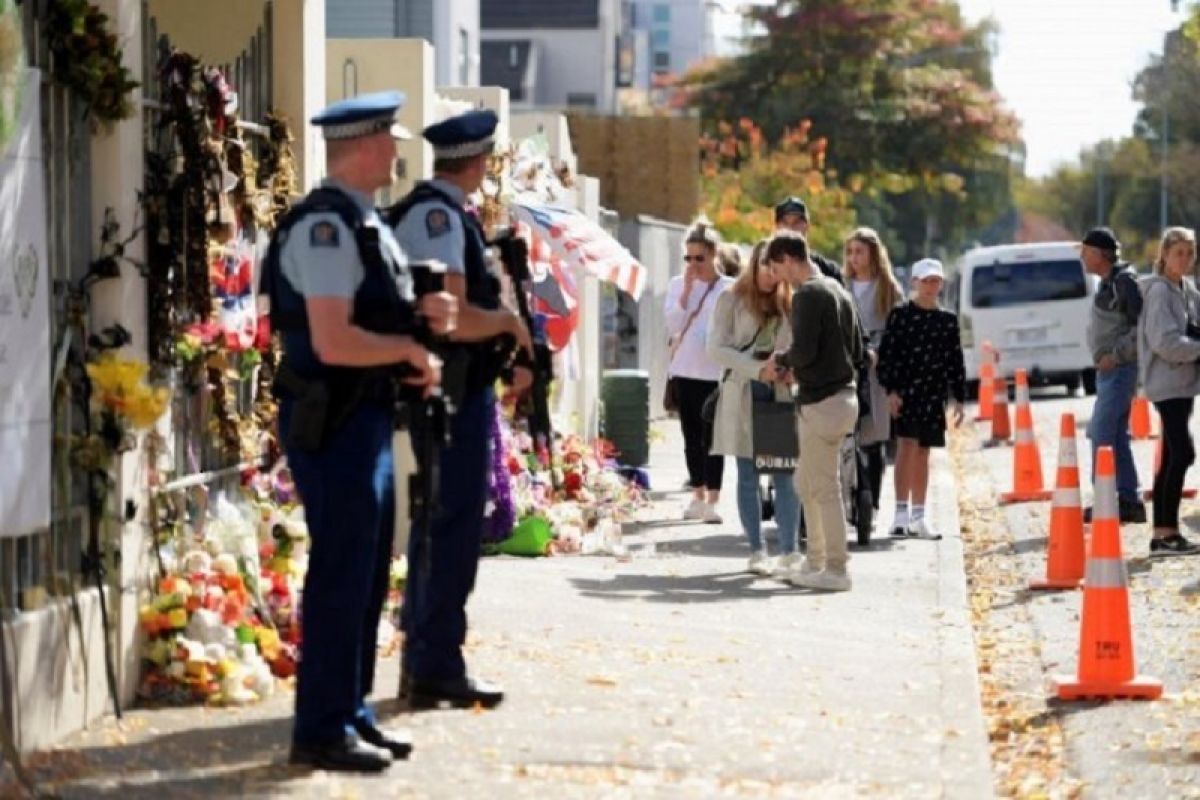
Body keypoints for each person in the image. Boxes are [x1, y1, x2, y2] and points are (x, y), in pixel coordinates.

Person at [264, 91, 453, 772]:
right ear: (365, 147)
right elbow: (334, 339)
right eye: (391, 141)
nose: (399, 153)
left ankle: (349, 712)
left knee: (368, 575)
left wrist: (418, 320)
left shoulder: (361, 221)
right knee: (343, 574)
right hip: (335, 421)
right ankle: (319, 727)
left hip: (365, 420)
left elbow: (370, 317)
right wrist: (405, 351)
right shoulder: (327, 227)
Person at [390, 109, 532, 710]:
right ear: (476, 162)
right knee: (448, 530)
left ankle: (429, 658)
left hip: (451, 392)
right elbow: (449, 313)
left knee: (442, 526)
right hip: (445, 398)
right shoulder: (440, 216)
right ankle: (435, 664)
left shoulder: (442, 214)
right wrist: (506, 323)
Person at [769, 230, 864, 591]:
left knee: (823, 487)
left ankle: (836, 569)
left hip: (821, 400)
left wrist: (783, 360)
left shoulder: (808, 294)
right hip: (844, 396)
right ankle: (816, 562)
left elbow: (804, 352)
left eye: (778, 268)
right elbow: (857, 349)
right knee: (806, 483)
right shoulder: (838, 289)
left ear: (789, 259)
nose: (780, 278)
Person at [707, 239, 801, 575]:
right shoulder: (730, 299)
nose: (771, 275)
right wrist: (755, 366)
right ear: (754, 264)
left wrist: (789, 368)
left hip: (778, 393)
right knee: (747, 475)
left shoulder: (789, 302)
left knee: (784, 473)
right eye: (766, 266)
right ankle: (756, 549)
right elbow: (716, 349)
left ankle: (790, 551)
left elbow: (798, 345)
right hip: (744, 392)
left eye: (777, 270)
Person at [877, 258, 966, 540]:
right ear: (914, 282)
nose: (930, 286)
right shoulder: (900, 316)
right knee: (905, 447)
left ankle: (919, 514)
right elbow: (887, 356)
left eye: (935, 281)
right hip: (906, 393)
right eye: (925, 280)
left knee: (924, 451)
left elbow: (955, 361)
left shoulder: (947, 321)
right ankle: (900, 515)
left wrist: (959, 399)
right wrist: (890, 390)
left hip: (932, 394)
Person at [665, 221, 735, 522]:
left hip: (715, 372)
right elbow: (672, 325)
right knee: (690, 435)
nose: (693, 264)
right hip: (684, 369)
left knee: (713, 437)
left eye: (700, 258)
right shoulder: (677, 284)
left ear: (713, 254)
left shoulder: (728, 288)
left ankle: (713, 499)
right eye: (688, 258)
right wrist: (687, 292)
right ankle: (697, 493)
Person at [1136, 227, 1200, 557]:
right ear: (1164, 255)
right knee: (1183, 453)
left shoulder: (1185, 289)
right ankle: (1166, 533)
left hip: (1183, 383)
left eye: (1190, 254)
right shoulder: (1160, 291)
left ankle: (1163, 533)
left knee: (1175, 455)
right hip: (1167, 383)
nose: (1185, 260)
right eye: (1179, 253)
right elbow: (1164, 342)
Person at [1081, 226, 1147, 524]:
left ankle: (1106, 502)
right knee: (1116, 437)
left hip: (1120, 370)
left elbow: (1140, 328)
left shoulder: (1124, 282)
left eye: (1086, 251)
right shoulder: (1107, 283)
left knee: (1101, 435)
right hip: (1110, 373)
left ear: (1100, 254)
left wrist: (1115, 355)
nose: (1082, 257)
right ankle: (1129, 502)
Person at [843, 227, 904, 506]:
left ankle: (872, 499)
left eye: (859, 252)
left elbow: (899, 331)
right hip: (847, 364)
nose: (854, 258)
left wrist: (883, 354)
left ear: (873, 254)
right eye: (850, 252)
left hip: (878, 368)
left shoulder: (888, 288)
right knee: (847, 433)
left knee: (874, 436)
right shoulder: (842, 286)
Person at [774, 196, 844, 285]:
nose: (791, 228)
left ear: (807, 225)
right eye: (785, 223)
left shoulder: (828, 270)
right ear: (777, 227)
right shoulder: (766, 268)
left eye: (796, 223)